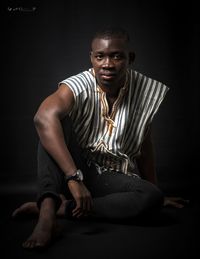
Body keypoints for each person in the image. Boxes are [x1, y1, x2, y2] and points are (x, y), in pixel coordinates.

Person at [12, 27, 188, 249]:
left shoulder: (143, 88)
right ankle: (47, 215)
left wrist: (156, 191)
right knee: (53, 124)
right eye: (100, 56)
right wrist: (73, 177)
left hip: (108, 176)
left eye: (116, 56)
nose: (107, 64)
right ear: (91, 58)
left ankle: (63, 208)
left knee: (151, 198)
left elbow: (144, 143)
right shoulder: (78, 84)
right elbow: (42, 118)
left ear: (129, 58)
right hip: (72, 168)